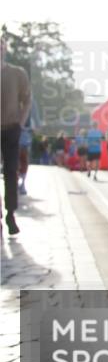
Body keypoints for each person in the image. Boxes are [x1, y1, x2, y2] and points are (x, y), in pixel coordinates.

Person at [1, 37, 31, 235]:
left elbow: (27, 99)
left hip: (11, 127)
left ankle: (10, 214)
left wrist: (20, 122)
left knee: (11, 171)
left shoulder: (17, 73)